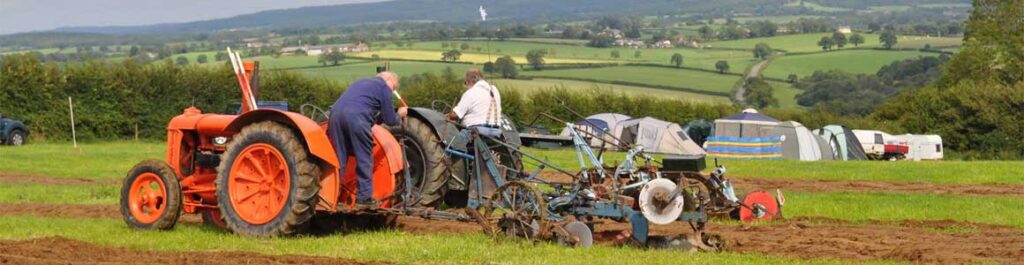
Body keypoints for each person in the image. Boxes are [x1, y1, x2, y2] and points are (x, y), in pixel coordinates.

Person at [328, 71, 408, 209]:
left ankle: (332, 196)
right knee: (364, 159)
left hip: (335, 117)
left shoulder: (361, 82)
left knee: (339, 160)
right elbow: (390, 120)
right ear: (389, 79)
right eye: (394, 87)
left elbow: (368, 111)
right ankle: (363, 199)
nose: (393, 90)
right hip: (357, 119)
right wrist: (400, 114)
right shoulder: (384, 88)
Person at [447, 68, 502, 137]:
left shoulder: (471, 92)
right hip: (496, 131)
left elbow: (455, 115)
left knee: (451, 144)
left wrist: (445, 116)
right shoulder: (495, 90)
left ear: (471, 79)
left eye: (466, 82)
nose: (466, 85)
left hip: (476, 131)